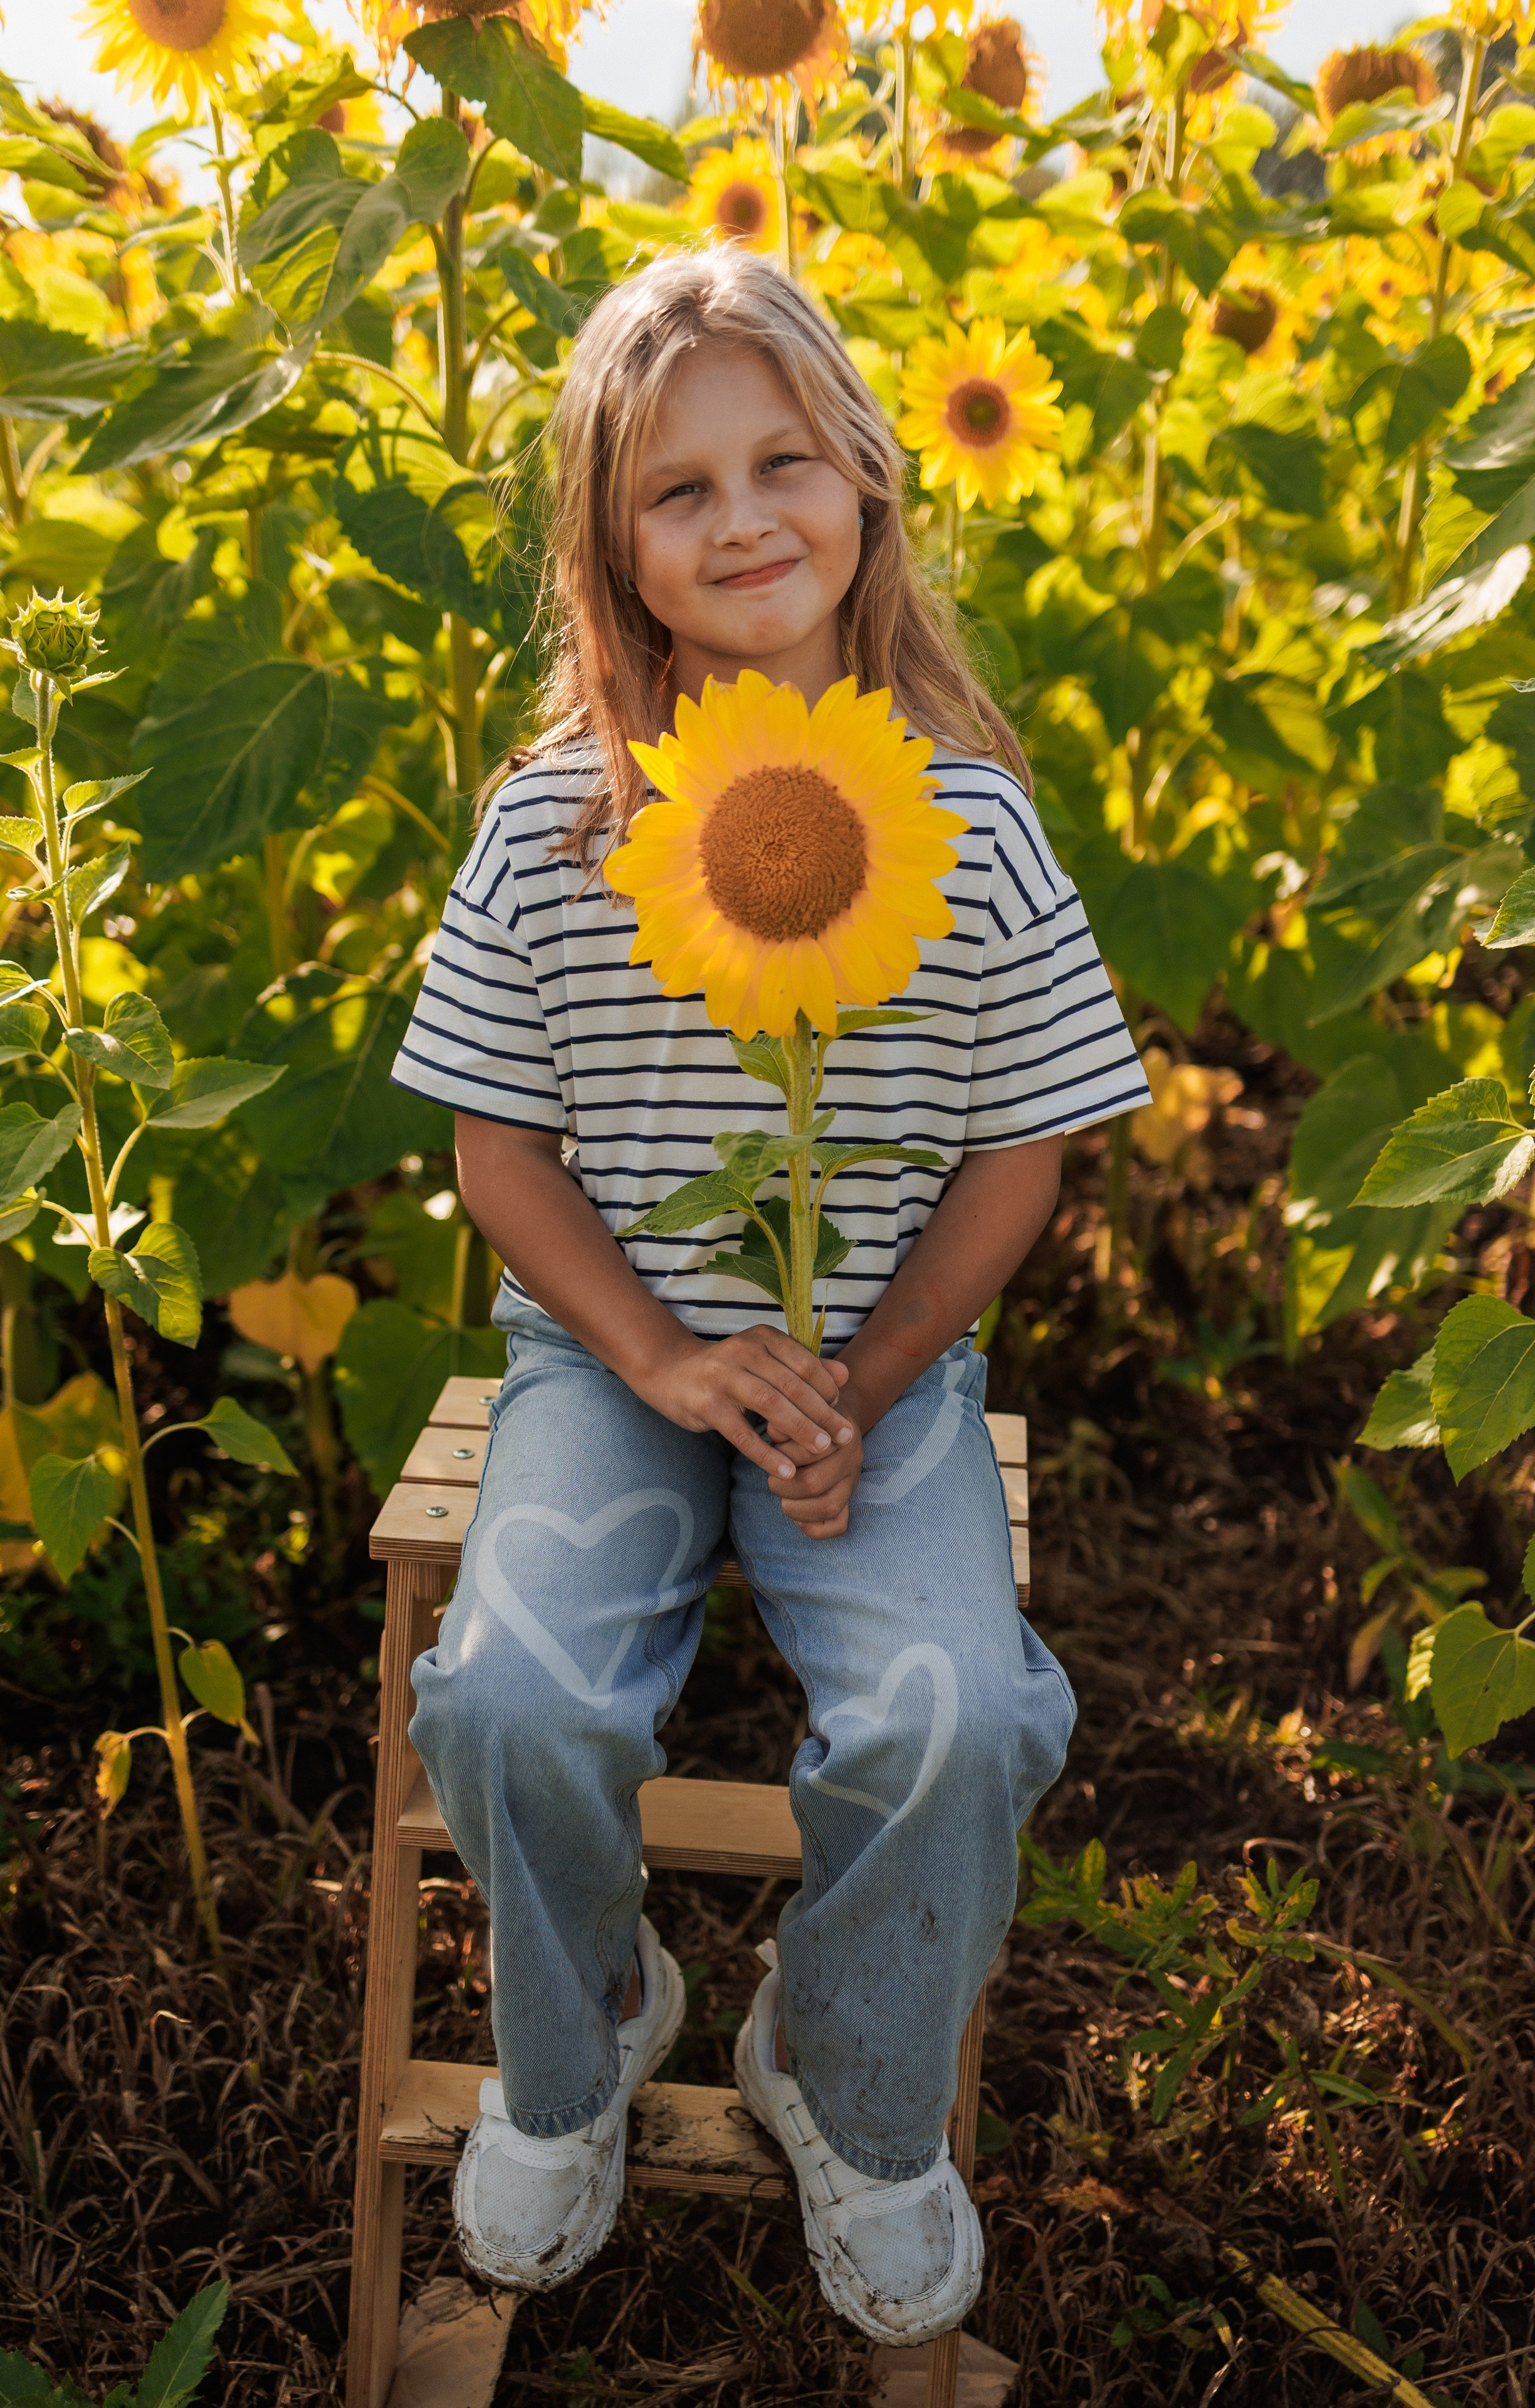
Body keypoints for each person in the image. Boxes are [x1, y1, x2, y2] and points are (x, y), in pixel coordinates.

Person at [392, 245, 1147, 2347]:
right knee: (509, 1693)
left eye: (783, 463)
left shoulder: (965, 829)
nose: (743, 521)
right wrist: (659, 1348)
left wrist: (873, 1365)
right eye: (679, 491)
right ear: (617, 557)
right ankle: (593, 2023)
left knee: (960, 1711)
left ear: (869, 490)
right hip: (616, 1357)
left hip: (879, 1371)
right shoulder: (551, 834)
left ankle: (843, 2060)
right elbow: (499, 1148)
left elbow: (1023, 1142)